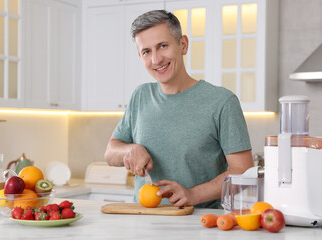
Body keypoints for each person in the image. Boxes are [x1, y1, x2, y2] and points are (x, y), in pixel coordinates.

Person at [104, 10, 253, 208]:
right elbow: (110, 153)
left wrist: (192, 194)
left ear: (183, 45)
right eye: (146, 51)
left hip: (200, 224)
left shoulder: (222, 101)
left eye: (162, 46)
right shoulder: (140, 96)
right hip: (142, 219)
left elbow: (243, 171)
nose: (156, 60)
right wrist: (130, 150)